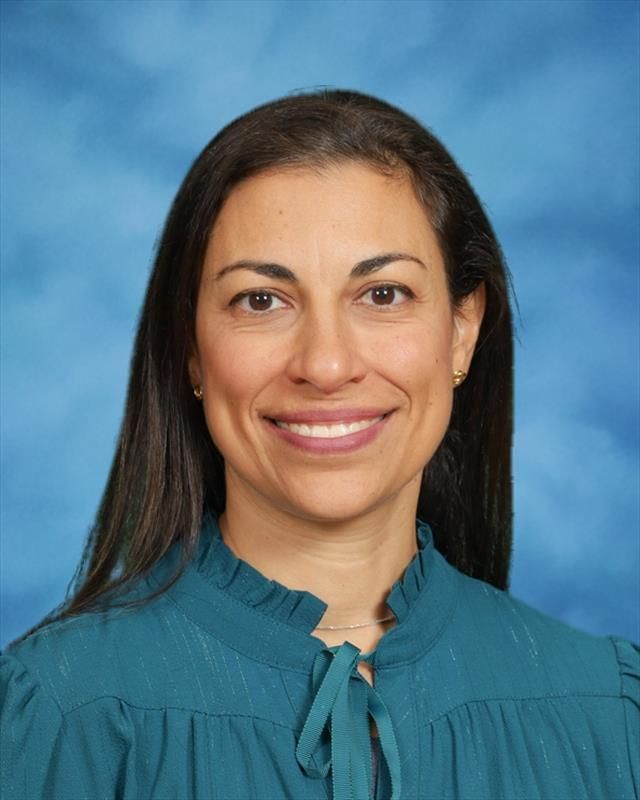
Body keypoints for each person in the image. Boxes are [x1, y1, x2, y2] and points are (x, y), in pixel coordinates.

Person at [1, 89, 637, 800]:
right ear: (191, 348)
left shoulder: (609, 716)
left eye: (383, 294)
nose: (327, 365)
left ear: (462, 330)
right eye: (261, 300)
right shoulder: (59, 716)